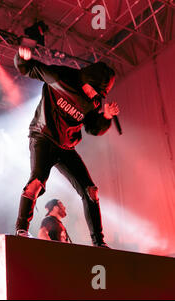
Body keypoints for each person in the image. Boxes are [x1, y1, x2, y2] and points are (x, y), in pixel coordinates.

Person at [14, 46, 120, 248]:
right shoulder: (59, 77)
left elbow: (91, 128)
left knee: (90, 191)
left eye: (99, 94)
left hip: (66, 147)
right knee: (36, 183)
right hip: (42, 136)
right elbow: (29, 69)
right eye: (93, 89)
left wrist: (105, 117)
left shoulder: (93, 101)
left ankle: (99, 242)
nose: (93, 95)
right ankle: (21, 229)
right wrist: (22, 58)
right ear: (86, 79)